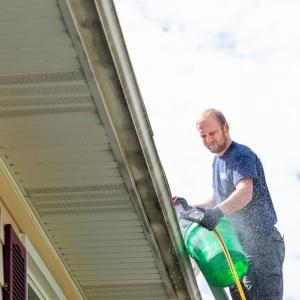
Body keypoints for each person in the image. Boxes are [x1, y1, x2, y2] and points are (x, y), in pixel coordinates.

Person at [174, 108, 285, 300]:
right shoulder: (218, 162)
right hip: (238, 249)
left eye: (212, 133)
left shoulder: (241, 155)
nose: (209, 139)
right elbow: (218, 197)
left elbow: (244, 192)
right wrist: (190, 208)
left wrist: (216, 213)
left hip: (261, 245)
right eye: (203, 136)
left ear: (226, 128)